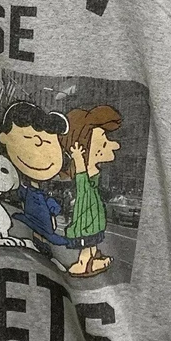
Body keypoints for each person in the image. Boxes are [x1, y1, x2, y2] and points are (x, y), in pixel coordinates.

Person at [0, 101, 69, 258]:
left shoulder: (36, 194)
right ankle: (39, 242)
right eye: (27, 138)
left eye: (47, 143)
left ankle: (40, 243)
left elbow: (50, 205)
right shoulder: (26, 191)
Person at [60, 105, 121, 277]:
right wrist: (78, 159)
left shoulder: (93, 178)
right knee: (87, 249)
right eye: (103, 143)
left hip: (91, 223)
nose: (115, 145)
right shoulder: (84, 182)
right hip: (87, 224)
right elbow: (81, 179)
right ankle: (84, 264)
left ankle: (92, 261)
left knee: (91, 247)